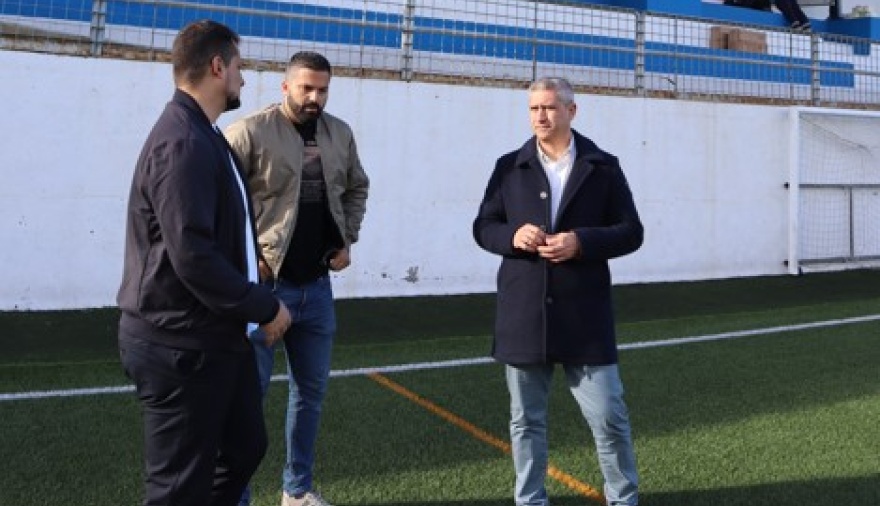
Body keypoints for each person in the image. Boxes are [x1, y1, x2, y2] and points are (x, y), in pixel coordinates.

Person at [117, 19, 292, 506]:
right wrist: (264, 305)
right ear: (218, 67)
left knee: (243, 448)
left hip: (213, 336)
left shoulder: (205, 134)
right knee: (178, 488)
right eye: (238, 67)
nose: (243, 78)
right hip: (178, 344)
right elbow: (192, 256)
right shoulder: (183, 143)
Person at [473, 77, 643, 506]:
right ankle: (530, 500)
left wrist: (581, 242)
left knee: (609, 417)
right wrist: (513, 236)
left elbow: (631, 232)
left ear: (571, 110)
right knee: (525, 421)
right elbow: (484, 227)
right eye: (534, 109)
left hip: (585, 316)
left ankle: (623, 499)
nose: (541, 117)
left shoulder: (603, 166)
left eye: (549, 107)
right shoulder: (508, 166)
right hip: (524, 314)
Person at [225, 51, 369, 506]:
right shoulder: (249, 132)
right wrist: (249, 260)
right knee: (247, 399)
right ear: (285, 86)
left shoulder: (339, 133)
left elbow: (357, 187)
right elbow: (219, 201)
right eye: (306, 88)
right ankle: (236, 496)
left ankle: (296, 490)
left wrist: (347, 238)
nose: (314, 98)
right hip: (265, 292)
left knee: (310, 395)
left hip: (317, 289)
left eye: (322, 90)